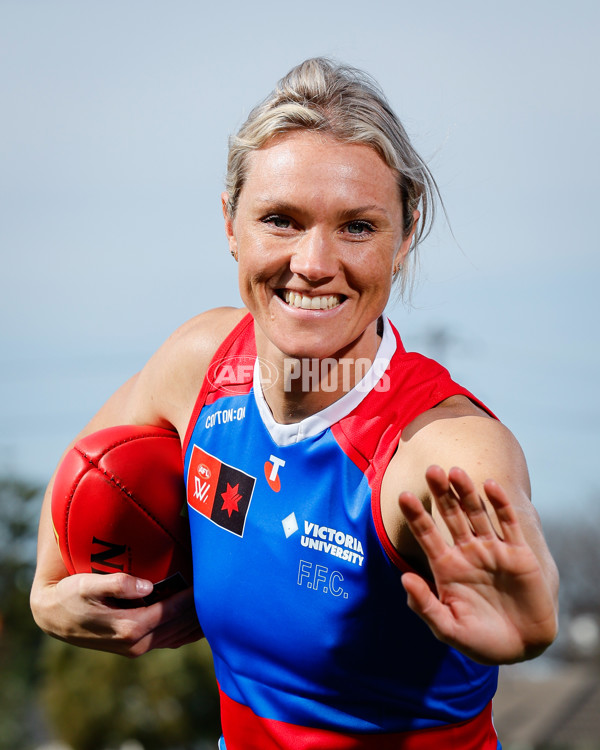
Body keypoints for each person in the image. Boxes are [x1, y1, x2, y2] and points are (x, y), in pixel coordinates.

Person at [31, 58, 559, 749]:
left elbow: (495, 497)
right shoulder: (200, 366)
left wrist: (535, 614)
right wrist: (47, 600)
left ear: (405, 233)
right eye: (280, 220)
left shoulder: (432, 446)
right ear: (230, 222)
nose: (313, 262)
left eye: (358, 227)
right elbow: (83, 478)